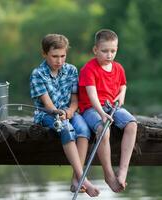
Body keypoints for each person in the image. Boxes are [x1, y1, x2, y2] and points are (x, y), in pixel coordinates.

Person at [30, 33, 99, 197]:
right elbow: (48, 105)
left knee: (83, 129)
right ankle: (83, 178)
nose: (59, 61)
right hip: (47, 114)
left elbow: (75, 100)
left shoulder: (71, 70)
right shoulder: (38, 74)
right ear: (44, 54)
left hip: (68, 112)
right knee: (66, 129)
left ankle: (76, 180)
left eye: (62, 56)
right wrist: (58, 113)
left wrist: (69, 111)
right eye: (54, 56)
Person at [78, 29, 137, 192]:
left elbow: (123, 84)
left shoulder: (118, 68)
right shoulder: (88, 69)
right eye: (104, 51)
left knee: (132, 124)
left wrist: (121, 94)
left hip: (112, 106)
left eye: (113, 51)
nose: (109, 55)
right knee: (103, 129)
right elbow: (92, 96)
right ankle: (109, 174)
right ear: (95, 50)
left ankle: (123, 170)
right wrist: (102, 114)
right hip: (91, 108)